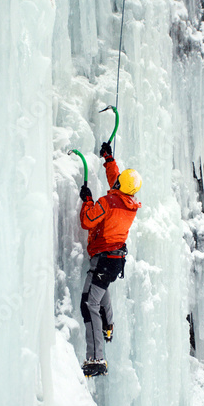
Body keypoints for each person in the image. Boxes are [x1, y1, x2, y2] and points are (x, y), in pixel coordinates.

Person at [79, 142, 142, 377]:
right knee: (100, 292)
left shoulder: (106, 203)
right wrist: (109, 159)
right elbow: (117, 183)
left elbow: (87, 221)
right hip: (115, 261)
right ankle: (107, 327)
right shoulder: (129, 203)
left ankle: (97, 358)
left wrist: (87, 200)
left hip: (104, 260)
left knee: (88, 303)